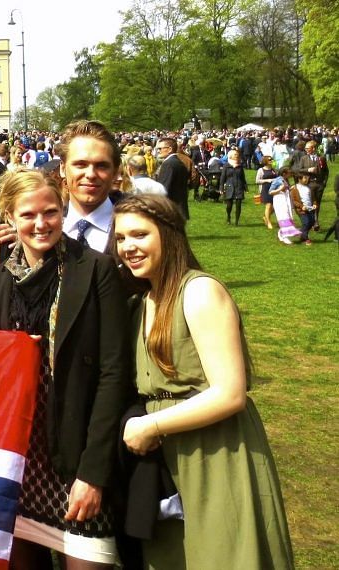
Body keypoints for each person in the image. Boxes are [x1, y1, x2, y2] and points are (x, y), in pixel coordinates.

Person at [114, 194, 294, 569]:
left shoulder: (198, 292)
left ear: (169, 234)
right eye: (120, 238)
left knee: (222, 554)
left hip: (215, 451)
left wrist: (152, 424)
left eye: (139, 235)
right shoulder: (141, 301)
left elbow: (230, 394)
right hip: (164, 462)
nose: (128, 247)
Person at [0, 169, 130, 569]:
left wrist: (94, 474)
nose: (41, 224)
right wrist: (10, 353)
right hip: (22, 461)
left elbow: (113, 375)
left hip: (76, 454)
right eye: (28, 215)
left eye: (50, 212)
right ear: (9, 217)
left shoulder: (95, 269)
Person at [60, 120, 121, 253]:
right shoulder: (42, 230)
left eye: (101, 166)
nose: (91, 174)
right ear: (62, 168)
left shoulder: (142, 229)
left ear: (116, 173)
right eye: (80, 164)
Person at [154, 137, 190, 219]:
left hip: (170, 210)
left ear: (169, 149)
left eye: (160, 148)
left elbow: (163, 189)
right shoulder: (179, 162)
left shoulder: (168, 164)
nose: (158, 151)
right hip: (179, 208)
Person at [220, 149, 247, 226]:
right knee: (229, 205)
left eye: (237, 154)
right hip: (229, 187)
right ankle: (228, 216)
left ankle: (236, 221)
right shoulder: (226, 166)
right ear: (231, 156)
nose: (236, 155)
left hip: (239, 187)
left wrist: (245, 187)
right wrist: (221, 188)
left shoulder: (240, 166)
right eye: (235, 154)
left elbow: (243, 177)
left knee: (238, 205)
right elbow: (222, 178)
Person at [255, 156, 277, 229]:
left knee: (274, 207)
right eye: (269, 160)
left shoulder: (273, 169)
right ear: (265, 161)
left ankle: (265, 217)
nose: (271, 161)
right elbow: (257, 181)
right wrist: (267, 180)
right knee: (268, 205)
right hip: (265, 189)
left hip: (274, 189)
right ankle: (269, 222)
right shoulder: (261, 170)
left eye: (272, 159)